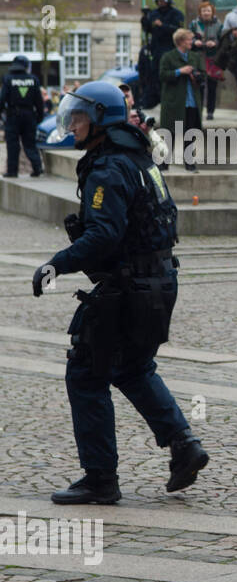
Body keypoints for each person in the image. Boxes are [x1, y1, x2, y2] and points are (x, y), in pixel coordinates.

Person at [33, 82, 207, 504]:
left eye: (78, 117)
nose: (72, 124)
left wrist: (56, 263)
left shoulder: (108, 167)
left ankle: (100, 479)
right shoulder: (137, 156)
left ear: (99, 120)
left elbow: (103, 236)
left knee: (86, 372)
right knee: (132, 366)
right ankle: (184, 444)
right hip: (159, 281)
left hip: (130, 287)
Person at [158, 28, 202, 173]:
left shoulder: (195, 56)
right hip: (174, 102)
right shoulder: (168, 57)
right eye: (189, 39)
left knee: (190, 133)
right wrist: (179, 72)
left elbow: (204, 75)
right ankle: (164, 162)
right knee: (170, 132)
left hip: (192, 102)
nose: (192, 42)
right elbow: (162, 75)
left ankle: (189, 163)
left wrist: (197, 76)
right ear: (181, 41)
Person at [2, 55, 44, 177]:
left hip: (13, 115)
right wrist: (39, 117)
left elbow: (2, 99)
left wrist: (2, 114)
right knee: (30, 143)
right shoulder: (33, 79)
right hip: (29, 115)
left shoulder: (8, 79)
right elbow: (39, 101)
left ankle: (12, 171)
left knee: (12, 144)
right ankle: (37, 168)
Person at [144, 0, 184, 105]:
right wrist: (145, 19)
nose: (159, 3)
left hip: (170, 48)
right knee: (156, 75)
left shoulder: (176, 14)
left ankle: (170, 98)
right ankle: (159, 98)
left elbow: (178, 30)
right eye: (158, 1)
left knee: (169, 75)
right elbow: (148, 30)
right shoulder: (154, 13)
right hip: (156, 49)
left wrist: (162, 25)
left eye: (162, 0)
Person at [188, 2, 222, 121]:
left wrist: (215, 43)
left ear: (212, 12)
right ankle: (199, 110)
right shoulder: (193, 24)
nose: (206, 13)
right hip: (198, 58)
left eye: (208, 10)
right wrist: (194, 42)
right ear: (200, 12)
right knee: (199, 86)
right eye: (204, 11)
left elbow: (222, 40)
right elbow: (188, 38)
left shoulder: (218, 24)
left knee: (212, 87)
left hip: (213, 59)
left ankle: (210, 112)